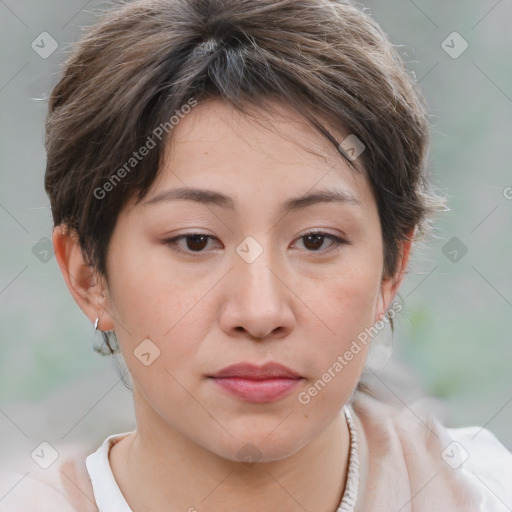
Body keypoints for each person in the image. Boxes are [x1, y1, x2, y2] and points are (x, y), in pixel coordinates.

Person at [3, 0, 511, 510]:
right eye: (195, 241)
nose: (261, 312)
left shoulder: (480, 493)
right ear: (88, 274)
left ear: (392, 268)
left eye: (316, 240)